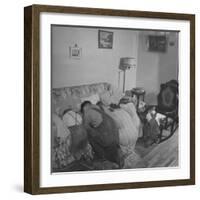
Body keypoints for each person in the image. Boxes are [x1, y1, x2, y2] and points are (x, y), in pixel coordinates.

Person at [80, 101, 123, 167]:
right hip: (116, 135)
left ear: (84, 108)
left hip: (107, 139)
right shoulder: (100, 107)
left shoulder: (87, 112)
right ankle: (116, 162)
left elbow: (84, 128)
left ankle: (102, 157)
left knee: (89, 135)